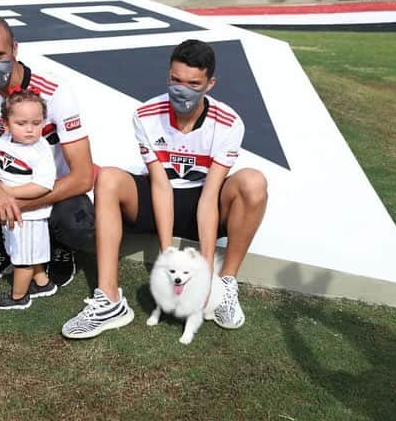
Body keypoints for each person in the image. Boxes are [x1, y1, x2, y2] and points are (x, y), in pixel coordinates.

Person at [61, 39, 268, 339]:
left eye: (193, 83)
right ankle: (109, 301)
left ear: (210, 84)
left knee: (253, 182)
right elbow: (159, 185)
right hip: (163, 194)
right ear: (168, 75)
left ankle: (224, 285)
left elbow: (210, 197)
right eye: (176, 80)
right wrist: (167, 255)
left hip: (203, 197)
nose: (181, 89)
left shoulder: (229, 123)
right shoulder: (145, 114)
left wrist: (204, 273)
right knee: (107, 178)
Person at [0, 16, 95, 296]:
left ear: (15, 49)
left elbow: (84, 176)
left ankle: (58, 247)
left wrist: (19, 203)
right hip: (7, 180)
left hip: (53, 185)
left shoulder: (55, 92)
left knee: (80, 227)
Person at [0, 88, 58, 310]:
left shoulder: (41, 150)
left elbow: (43, 185)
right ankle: (42, 283)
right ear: (6, 124)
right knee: (26, 250)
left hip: (29, 216)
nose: (29, 129)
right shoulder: (6, 140)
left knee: (23, 258)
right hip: (14, 212)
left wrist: (8, 192)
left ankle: (19, 297)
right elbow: (3, 157)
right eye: (21, 123)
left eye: (36, 123)